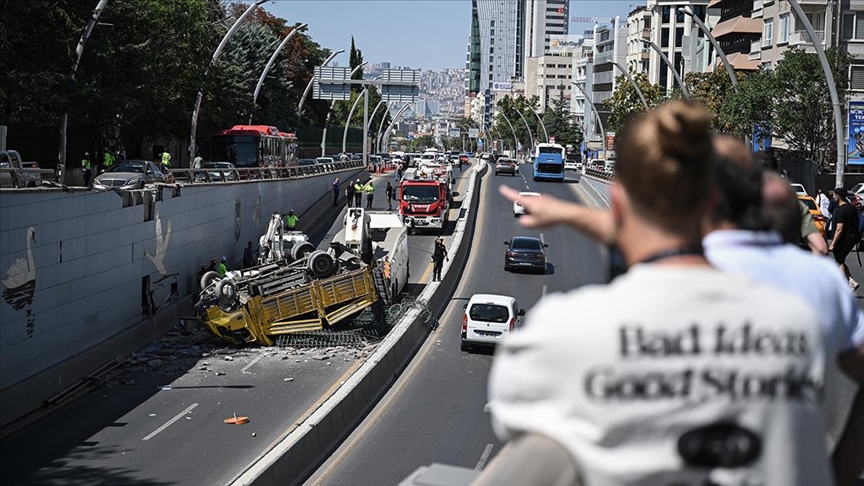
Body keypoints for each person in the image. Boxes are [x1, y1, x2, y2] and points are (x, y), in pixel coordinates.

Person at [486, 102, 842, 486]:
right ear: (712, 201)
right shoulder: (801, 325)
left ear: (617, 199)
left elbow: (511, 419)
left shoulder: (563, 330)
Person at [829, 188, 860, 291]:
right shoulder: (852, 208)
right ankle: (851, 281)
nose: (833, 197)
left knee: (839, 261)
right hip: (852, 237)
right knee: (840, 260)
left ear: (838, 196)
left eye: (834, 195)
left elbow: (839, 229)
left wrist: (833, 243)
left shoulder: (841, 211)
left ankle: (843, 286)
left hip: (844, 239)